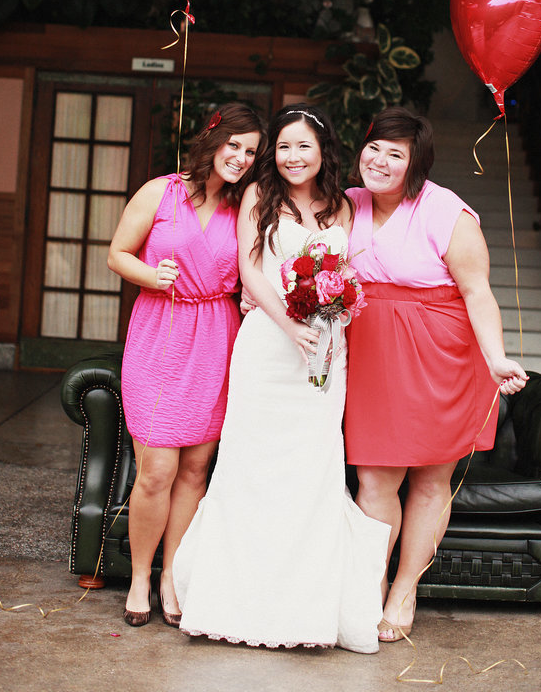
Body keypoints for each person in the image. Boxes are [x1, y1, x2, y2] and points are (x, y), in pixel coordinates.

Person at [171, 103, 389, 652]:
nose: (293, 157)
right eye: (284, 147)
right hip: (268, 348)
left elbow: (344, 274)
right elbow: (249, 268)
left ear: (322, 153)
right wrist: (287, 324)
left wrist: (333, 312)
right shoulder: (257, 197)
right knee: (251, 465)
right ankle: (231, 601)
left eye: (304, 147)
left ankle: (305, 607)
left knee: (312, 469)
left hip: (324, 353)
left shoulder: (339, 205)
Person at [343, 106, 529, 643]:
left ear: (415, 164)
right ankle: (369, 585)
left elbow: (477, 292)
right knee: (376, 478)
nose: (379, 160)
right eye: (373, 146)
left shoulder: (447, 212)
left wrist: (496, 358)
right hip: (373, 354)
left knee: (429, 479)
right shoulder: (347, 203)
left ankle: (404, 591)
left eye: (395, 154)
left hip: (440, 354)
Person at [107, 103, 265, 627]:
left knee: (196, 469)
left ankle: (173, 575)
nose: (240, 158)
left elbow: (255, 270)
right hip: (161, 330)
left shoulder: (245, 207)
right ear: (212, 140)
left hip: (217, 336)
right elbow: (117, 254)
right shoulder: (161, 191)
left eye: (251, 152)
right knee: (157, 469)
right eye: (234, 146)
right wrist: (153, 277)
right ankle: (139, 577)